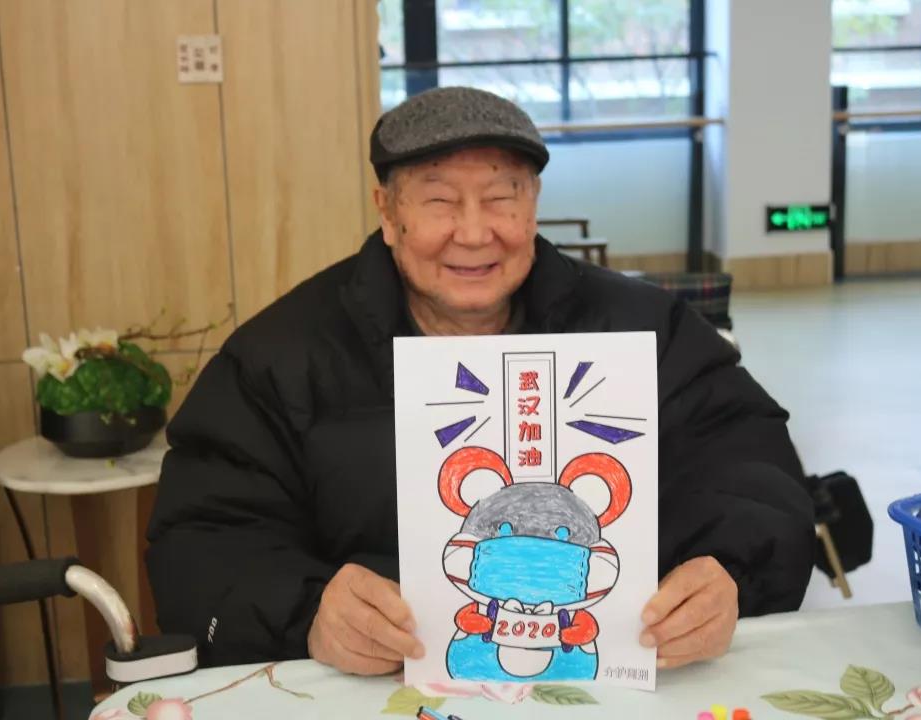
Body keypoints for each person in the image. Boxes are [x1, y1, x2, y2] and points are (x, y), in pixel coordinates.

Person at [146, 86, 814, 676]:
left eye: (500, 198)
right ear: (387, 212)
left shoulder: (645, 330)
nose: (473, 233)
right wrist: (309, 612)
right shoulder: (283, 355)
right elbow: (204, 535)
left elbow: (747, 462)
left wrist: (729, 572)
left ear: (533, 206)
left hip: (618, 675)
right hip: (370, 690)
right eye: (439, 201)